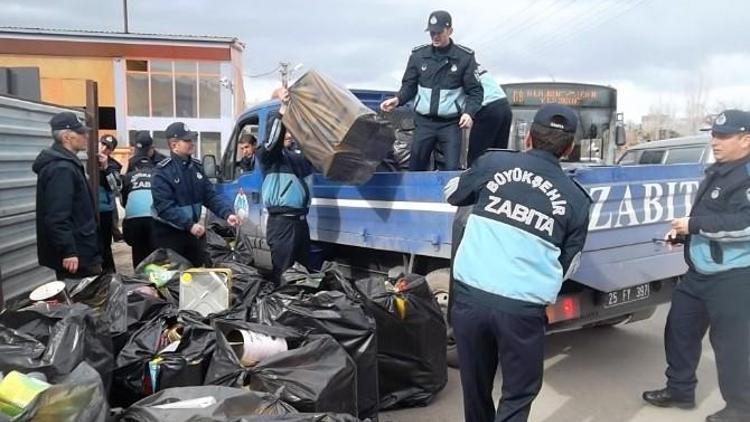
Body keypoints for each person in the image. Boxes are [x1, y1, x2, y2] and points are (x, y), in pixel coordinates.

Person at [444, 104, 591, 422]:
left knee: (476, 386)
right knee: (518, 392)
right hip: (521, 311)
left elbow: (453, 195)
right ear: (567, 148)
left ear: (528, 138)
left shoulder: (493, 162)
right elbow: (570, 263)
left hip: (470, 299)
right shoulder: (577, 199)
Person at [642, 109, 750, 422]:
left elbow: (744, 224)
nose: (715, 141)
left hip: (734, 278)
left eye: (724, 136)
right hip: (699, 273)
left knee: (732, 346)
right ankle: (679, 389)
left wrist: (694, 226)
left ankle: (741, 409)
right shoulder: (719, 170)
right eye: (714, 135)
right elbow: (707, 221)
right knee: (679, 330)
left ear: (746, 140)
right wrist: (681, 236)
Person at [380, 10, 483, 171]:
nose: (435, 36)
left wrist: (469, 113)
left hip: (450, 124)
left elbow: (476, 91)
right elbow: (409, 85)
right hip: (424, 123)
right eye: (432, 32)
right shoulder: (418, 56)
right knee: (415, 168)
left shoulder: (464, 57)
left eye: (439, 32)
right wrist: (398, 99)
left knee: (451, 170)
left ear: (450, 31)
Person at [151, 122, 239, 266]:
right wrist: (189, 225)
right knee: (174, 278)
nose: (192, 143)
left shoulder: (196, 168)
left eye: (192, 139)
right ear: (174, 145)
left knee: (196, 274)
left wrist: (227, 214)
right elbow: (164, 207)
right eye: (187, 140)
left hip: (191, 232)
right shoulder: (162, 172)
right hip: (169, 233)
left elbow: (209, 196)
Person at [33, 112, 101, 280]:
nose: (86, 136)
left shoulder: (67, 164)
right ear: (67, 137)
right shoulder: (61, 169)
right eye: (81, 132)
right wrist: (68, 251)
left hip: (82, 247)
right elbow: (57, 215)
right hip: (77, 254)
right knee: (83, 301)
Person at [258, 89, 314, 283]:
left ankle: (298, 311)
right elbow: (272, 139)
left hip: (300, 223)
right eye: (287, 129)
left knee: (303, 275)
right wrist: (281, 110)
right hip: (282, 224)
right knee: (284, 274)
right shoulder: (269, 156)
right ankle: (281, 310)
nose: (290, 134)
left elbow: (313, 149)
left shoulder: (297, 158)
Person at [121, 133, 157, 269]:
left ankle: (140, 281)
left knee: (138, 253)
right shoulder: (158, 174)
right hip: (154, 218)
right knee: (155, 254)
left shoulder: (129, 176)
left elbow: (123, 201)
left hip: (134, 221)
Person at [467, 65, 513, 165]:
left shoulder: (456, 65)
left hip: (487, 108)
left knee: (477, 159)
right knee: (498, 157)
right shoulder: (471, 62)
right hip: (505, 106)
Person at [97, 135, 122, 273]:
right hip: (88, 210)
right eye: (103, 144)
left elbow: (116, 188)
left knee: (105, 246)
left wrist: (106, 167)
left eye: (108, 147)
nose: (104, 148)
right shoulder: (87, 159)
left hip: (105, 210)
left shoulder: (113, 165)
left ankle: (109, 275)